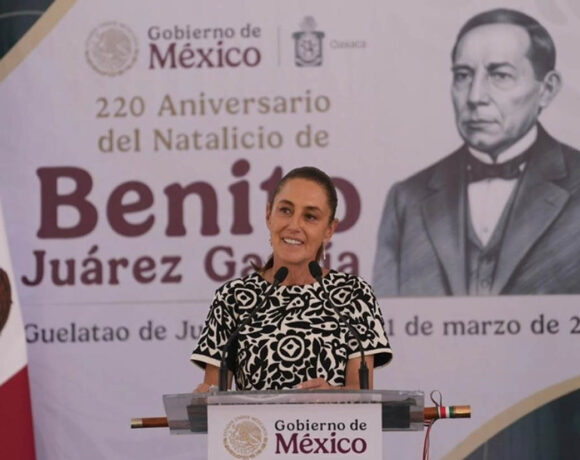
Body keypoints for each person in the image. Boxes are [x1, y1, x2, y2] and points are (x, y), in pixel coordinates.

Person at [373, 8, 580, 297]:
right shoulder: (407, 199)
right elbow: (384, 318)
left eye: (501, 75)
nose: (474, 96)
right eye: (463, 76)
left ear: (547, 89)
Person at [191, 166, 392, 391]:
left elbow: (362, 393)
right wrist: (204, 397)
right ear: (269, 214)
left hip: (331, 417)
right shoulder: (233, 297)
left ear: (329, 229)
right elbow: (214, 393)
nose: (294, 225)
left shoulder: (353, 293)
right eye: (285, 210)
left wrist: (331, 395)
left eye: (310, 216)